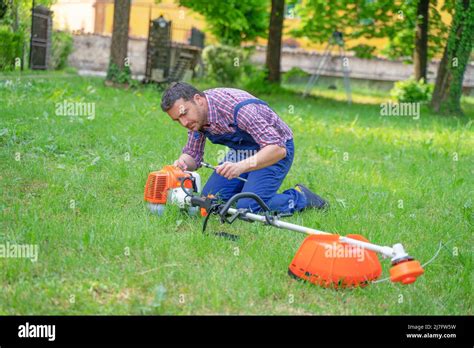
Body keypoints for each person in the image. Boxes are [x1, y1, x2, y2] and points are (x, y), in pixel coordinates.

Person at [160, 82, 328, 214]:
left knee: (247, 209)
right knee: (211, 200)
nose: (184, 123)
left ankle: (301, 197)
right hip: (243, 151)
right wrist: (182, 164)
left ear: (198, 100)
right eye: (177, 120)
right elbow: (193, 155)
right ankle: (248, 189)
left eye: (184, 114)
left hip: (274, 150)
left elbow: (277, 149)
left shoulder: (238, 108)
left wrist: (241, 167)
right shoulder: (197, 118)